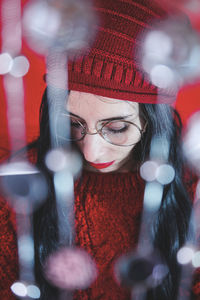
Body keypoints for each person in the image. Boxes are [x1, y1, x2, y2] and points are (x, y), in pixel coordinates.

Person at [0, 0, 199, 299]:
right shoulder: (18, 185)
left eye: (117, 128)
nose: (92, 152)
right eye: (71, 124)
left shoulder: (193, 194)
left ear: (151, 122)